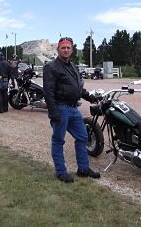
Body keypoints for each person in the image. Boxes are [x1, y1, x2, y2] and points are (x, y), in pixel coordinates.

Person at [43, 37, 100, 183]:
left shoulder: (73, 66)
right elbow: (48, 91)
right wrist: (53, 112)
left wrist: (89, 97)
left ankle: (83, 169)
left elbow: (78, 87)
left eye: (68, 48)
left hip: (74, 109)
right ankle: (60, 172)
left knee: (82, 137)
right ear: (58, 50)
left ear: (72, 50)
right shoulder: (51, 67)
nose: (66, 50)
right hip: (60, 108)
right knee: (58, 140)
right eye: (63, 48)